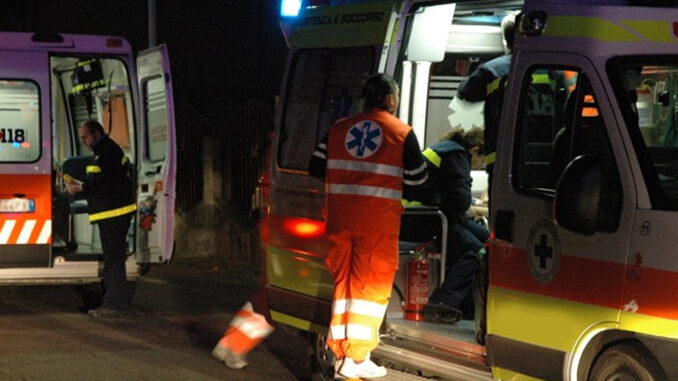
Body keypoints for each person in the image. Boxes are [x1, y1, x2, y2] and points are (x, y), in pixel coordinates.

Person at [307, 73, 428, 379]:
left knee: (345, 288)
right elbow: (418, 182)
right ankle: (357, 359)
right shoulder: (400, 133)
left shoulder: (339, 129)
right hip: (376, 224)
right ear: (390, 100)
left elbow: (315, 166)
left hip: (339, 220)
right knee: (367, 292)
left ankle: (343, 353)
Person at [65, 119, 136, 316]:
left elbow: (106, 183)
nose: (84, 141)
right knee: (112, 259)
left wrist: (81, 187)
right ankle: (112, 301)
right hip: (111, 214)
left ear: (96, 133)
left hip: (114, 214)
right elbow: (101, 180)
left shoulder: (108, 152)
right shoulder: (104, 152)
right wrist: (82, 185)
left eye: (85, 137)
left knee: (113, 260)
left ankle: (114, 305)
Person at [420, 128, 489, 324]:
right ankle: (443, 303)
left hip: (431, 214)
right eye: (481, 161)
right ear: (475, 150)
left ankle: (467, 302)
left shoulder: (447, 149)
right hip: (426, 218)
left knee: (489, 240)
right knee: (477, 251)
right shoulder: (457, 155)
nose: (479, 166)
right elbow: (461, 200)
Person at [456, 11, 518, 194]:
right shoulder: (550, 69)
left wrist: (469, 70)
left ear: (506, 41)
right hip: (541, 161)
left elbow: (465, 94)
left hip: (502, 161)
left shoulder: (492, 70)